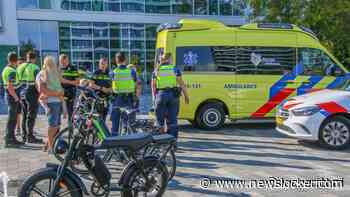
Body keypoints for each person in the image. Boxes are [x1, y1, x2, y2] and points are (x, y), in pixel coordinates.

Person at [151, 53, 189, 139]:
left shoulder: (157, 70)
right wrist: (186, 96)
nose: (173, 60)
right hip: (173, 96)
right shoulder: (175, 68)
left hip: (161, 95)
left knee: (159, 122)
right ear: (169, 59)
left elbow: (153, 87)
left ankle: (160, 142)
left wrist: (154, 99)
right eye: (172, 58)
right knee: (173, 121)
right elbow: (182, 84)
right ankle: (172, 142)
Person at [37, 56, 65, 152]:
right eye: (52, 63)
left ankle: (48, 145)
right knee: (52, 126)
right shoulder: (43, 73)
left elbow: (59, 87)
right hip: (51, 102)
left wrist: (61, 93)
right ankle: (50, 147)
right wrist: (58, 93)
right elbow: (42, 90)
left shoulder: (55, 73)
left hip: (56, 102)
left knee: (56, 126)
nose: (53, 64)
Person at [110, 52, 141, 135]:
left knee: (115, 123)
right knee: (129, 123)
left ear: (116, 60)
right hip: (128, 99)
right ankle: (128, 141)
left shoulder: (113, 72)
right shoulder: (132, 72)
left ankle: (113, 143)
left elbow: (111, 87)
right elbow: (138, 85)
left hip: (117, 99)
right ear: (125, 60)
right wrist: (136, 98)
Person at [17, 51, 43, 143]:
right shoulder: (35, 67)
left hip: (22, 92)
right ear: (34, 58)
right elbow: (37, 82)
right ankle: (30, 136)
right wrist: (41, 93)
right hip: (32, 92)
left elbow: (17, 81)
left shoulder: (20, 67)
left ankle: (24, 136)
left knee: (24, 114)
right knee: (31, 115)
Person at [2, 52, 24, 147]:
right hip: (12, 97)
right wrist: (16, 98)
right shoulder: (12, 71)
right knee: (12, 119)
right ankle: (9, 139)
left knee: (12, 118)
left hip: (9, 96)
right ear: (16, 61)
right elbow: (10, 87)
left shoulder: (6, 69)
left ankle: (11, 137)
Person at [89, 58, 112, 122]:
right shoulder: (96, 73)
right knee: (98, 118)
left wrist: (110, 89)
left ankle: (101, 131)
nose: (103, 65)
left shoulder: (109, 73)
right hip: (97, 98)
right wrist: (102, 88)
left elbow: (113, 85)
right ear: (99, 64)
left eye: (104, 64)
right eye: (102, 63)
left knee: (104, 117)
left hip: (106, 99)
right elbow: (91, 84)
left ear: (107, 64)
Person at [59, 54, 79, 127]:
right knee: (58, 113)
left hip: (70, 92)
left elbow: (77, 82)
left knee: (70, 113)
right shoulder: (59, 68)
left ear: (67, 60)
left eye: (63, 62)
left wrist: (66, 81)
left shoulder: (73, 68)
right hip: (60, 93)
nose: (62, 63)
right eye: (61, 62)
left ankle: (71, 132)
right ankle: (58, 133)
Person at [15, 57, 25, 136]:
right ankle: (18, 128)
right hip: (17, 94)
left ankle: (25, 128)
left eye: (22, 63)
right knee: (18, 112)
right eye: (19, 63)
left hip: (25, 94)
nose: (21, 65)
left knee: (25, 112)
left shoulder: (25, 72)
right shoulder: (15, 72)